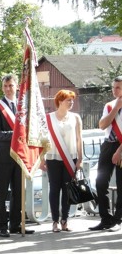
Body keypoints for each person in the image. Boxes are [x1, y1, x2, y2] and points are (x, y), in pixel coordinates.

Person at [0, 74, 34, 237]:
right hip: (3, 156)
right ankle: (1, 225)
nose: (8, 89)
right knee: (1, 192)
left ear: (16, 86)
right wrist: (15, 135)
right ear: (2, 88)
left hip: (19, 155)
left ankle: (16, 224)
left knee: (18, 192)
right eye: (5, 86)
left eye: (11, 85)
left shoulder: (23, 107)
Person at [40, 90, 83, 232]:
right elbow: (42, 140)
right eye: (68, 100)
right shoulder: (48, 118)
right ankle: (54, 221)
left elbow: (79, 139)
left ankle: (65, 220)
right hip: (53, 157)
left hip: (70, 158)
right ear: (59, 101)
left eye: (72, 100)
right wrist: (41, 159)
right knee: (54, 188)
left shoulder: (75, 117)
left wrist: (80, 159)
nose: (71, 103)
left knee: (67, 189)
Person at [90, 76, 122, 231]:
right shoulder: (109, 106)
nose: (115, 90)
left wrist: (119, 151)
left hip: (121, 146)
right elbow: (102, 125)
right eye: (113, 87)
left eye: (118, 88)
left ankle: (118, 220)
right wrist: (116, 108)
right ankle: (105, 219)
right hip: (108, 145)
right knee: (100, 183)